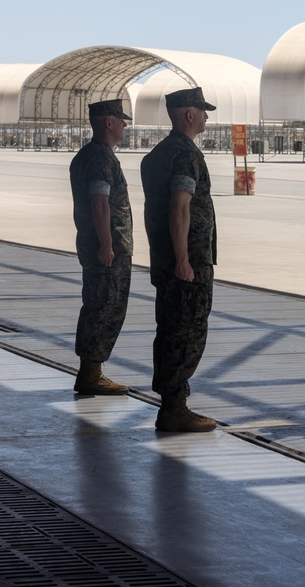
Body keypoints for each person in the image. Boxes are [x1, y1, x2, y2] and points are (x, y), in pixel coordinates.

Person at [140, 87, 218, 432]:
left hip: (165, 259)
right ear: (189, 115)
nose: (206, 117)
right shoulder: (186, 156)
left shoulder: (156, 155)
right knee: (186, 332)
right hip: (187, 263)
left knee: (170, 329)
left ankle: (172, 404)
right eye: (202, 111)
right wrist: (183, 259)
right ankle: (174, 408)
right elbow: (179, 206)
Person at [69, 98, 134, 395]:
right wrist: (107, 244)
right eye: (121, 120)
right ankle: (91, 373)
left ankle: (90, 370)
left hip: (96, 243)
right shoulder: (101, 158)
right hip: (106, 248)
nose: (123, 125)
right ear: (108, 123)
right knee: (104, 307)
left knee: (97, 305)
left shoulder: (90, 155)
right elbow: (100, 203)